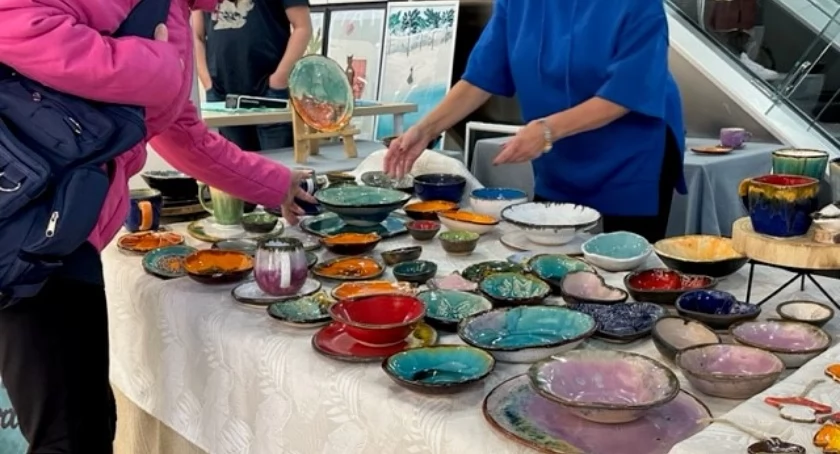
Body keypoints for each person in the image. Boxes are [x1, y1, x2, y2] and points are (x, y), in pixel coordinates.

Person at [0, 0, 314, 452]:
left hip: (62, 227)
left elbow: (183, 133)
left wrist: (278, 185)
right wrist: (156, 65)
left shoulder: (177, 12)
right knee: (69, 433)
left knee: (86, 420)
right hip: (29, 224)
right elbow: (13, 20)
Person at [385, 0, 687, 243]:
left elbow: (626, 92)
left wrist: (547, 130)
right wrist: (425, 129)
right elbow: (480, 77)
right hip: (559, 152)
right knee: (549, 254)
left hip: (632, 151)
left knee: (625, 264)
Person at [193, 0, 312, 152]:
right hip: (222, 93)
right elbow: (196, 35)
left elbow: (302, 27)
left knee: (279, 162)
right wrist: (208, 82)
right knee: (233, 164)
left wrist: (279, 80)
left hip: (270, 92)